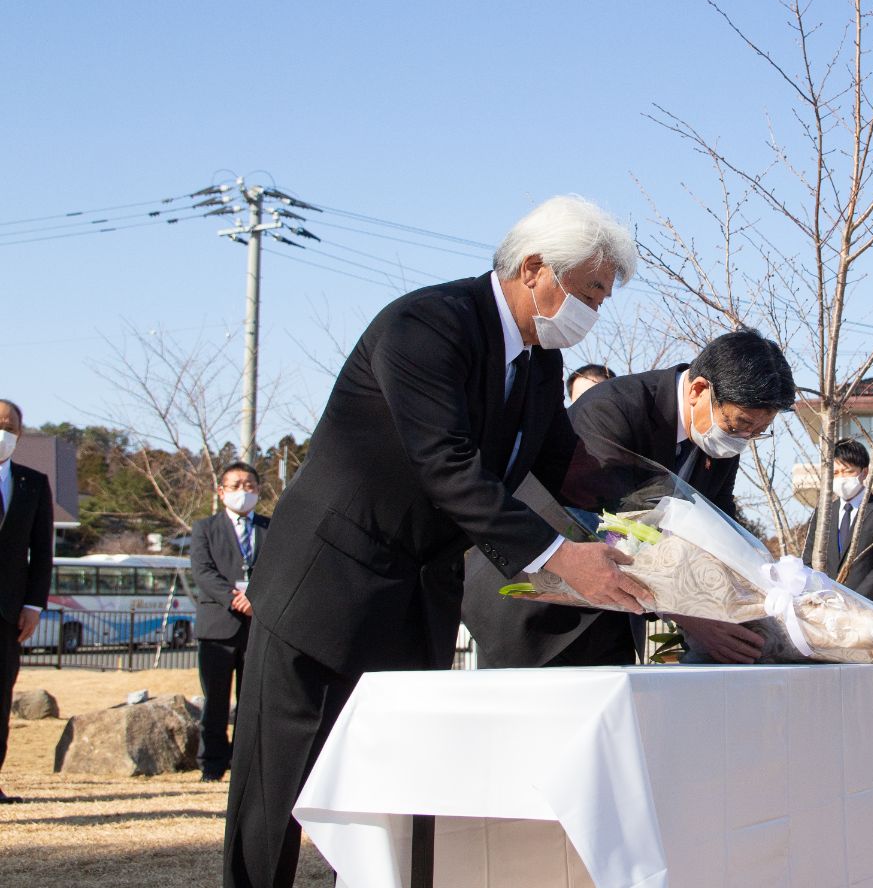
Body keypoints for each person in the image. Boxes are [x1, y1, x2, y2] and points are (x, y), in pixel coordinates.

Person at [223, 195, 648, 888]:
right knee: (279, 791)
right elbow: (447, 464)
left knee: (399, 790)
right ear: (536, 269)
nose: (595, 312)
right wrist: (560, 559)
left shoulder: (539, 362)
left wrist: (659, 516)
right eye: (591, 292)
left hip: (419, 593)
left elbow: (565, 463)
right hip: (327, 585)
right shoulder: (427, 324)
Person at [465, 329, 795, 667]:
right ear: (698, 390)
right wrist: (692, 615)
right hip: (538, 608)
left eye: (757, 432)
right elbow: (618, 522)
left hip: (614, 616)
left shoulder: (721, 442)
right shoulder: (614, 407)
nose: (742, 439)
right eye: (739, 424)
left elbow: (719, 523)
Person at [190, 462, 269, 782]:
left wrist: (256, 598)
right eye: (235, 485)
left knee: (253, 699)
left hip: (258, 624)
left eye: (249, 485)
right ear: (221, 492)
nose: (243, 491)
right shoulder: (204, 528)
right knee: (216, 700)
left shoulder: (271, 527)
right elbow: (203, 572)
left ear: (259, 490)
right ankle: (212, 763)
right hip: (217, 626)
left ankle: (246, 762)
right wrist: (233, 597)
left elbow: (279, 568)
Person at [0, 399, 52, 806]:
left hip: (8, 613)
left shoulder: (32, 483)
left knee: (1, 699)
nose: (3, 432)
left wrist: (33, 605)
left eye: (9, 427)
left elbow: (41, 552)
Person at [800, 438, 873, 609]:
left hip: (869, 609)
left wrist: (853, 602)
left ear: (864, 473)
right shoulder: (823, 512)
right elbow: (808, 561)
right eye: (835, 473)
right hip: (826, 609)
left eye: (847, 471)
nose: (841, 478)